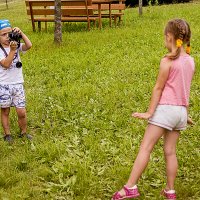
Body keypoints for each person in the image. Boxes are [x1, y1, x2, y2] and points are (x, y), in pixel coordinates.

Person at [112, 19, 195, 200]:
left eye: (165, 37)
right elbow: (185, 90)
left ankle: (130, 187)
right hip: (180, 113)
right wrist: (185, 114)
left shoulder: (166, 61)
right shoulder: (191, 61)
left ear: (169, 37)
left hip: (165, 110)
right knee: (170, 151)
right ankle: (170, 191)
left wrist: (150, 112)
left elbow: (158, 88)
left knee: (146, 148)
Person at [0, 19, 32, 143]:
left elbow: (29, 45)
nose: (7, 37)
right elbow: (6, 64)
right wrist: (13, 51)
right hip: (3, 85)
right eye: (3, 34)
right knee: (5, 111)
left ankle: (24, 133)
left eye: (9, 33)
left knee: (21, 111)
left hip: (18, 84)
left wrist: (21, 33)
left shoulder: (16, 44)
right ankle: (7, 134)